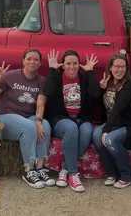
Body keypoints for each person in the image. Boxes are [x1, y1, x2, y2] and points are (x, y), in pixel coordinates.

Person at [0, 49, 55, 189]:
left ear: (40, 63)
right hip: (6, 117)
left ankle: (40, 168)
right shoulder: (11, 76)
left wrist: (38, 120)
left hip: (27, 117)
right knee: (28, 127)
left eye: (35, 59)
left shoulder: (41, 81)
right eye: (29, 59)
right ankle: (28, 170)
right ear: (23, 61)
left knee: (45, 125)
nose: (32, 62)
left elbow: (41, 103)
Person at [43, 49, 101, 192]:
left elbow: (95, 94)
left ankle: (64, 169)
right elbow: (47, 92)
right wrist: (51, 70)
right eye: (68, 63)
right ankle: (74, 174)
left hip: (81, 119)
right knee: (71, 128)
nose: (72, 67)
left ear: (79, 65)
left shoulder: (84, 77)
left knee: (87, 130)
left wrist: (90, 72)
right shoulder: (56, 77)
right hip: (61, 119)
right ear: (63, 65)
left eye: (75, 63)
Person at [92, 52, 131, 189]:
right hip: (113, 123)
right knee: (96, 135)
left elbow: (118, 108)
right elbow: (100, 105)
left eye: (123, 67)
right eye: (116, 66)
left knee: (110, 139)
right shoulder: (107, 81)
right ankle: (112, 173)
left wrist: (106, 129)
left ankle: (128, 175)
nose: (120, 70)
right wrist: (100, 90)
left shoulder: (129, 83)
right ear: (110, 67)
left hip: (128, 124)